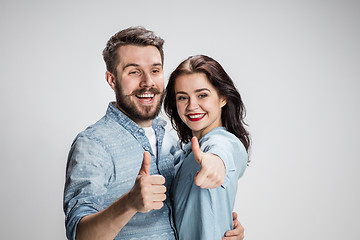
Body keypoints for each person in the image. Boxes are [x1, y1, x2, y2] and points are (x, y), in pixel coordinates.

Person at [63, 26, 245, 240]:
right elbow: (79, 235)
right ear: (112, 79)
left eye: (155, 70)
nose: (148, 82)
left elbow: (222, 146)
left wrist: (222, 224)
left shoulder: (171, 142)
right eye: (134, 72)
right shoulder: (93, 144)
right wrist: (129, 203)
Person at [164, 55, 250, 240]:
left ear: (223, 98)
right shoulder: (183, 153)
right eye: (182, 97)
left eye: (202, 95)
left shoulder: (226, 142)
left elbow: (221, 152)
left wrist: (215, 162)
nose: (192, 106)